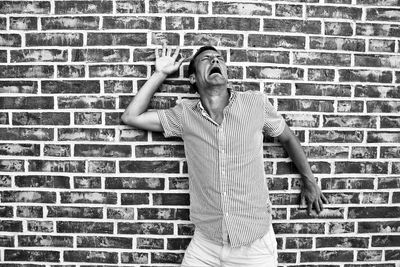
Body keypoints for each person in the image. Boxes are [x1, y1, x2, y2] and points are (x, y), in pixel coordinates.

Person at [121, 44, 328, 267]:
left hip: (254, 245)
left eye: (219, 58)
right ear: (193, 79)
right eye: (206, 59)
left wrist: (309, 181)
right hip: (206, 244)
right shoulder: (184, 115)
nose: (215, 61)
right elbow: (131, 116)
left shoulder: (254, 103)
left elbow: (287, 137)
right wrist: (160, 73)